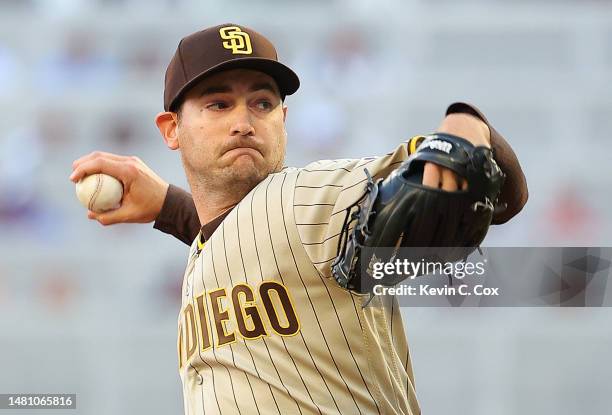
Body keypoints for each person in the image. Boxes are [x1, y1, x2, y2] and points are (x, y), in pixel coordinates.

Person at [70, 23, 527, 415]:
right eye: (218, 104)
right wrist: (171, 209)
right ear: (172, 129)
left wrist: (470, 125)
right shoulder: (221, 238)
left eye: (263, 103)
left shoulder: (309, 195)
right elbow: (247, 238)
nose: (244, 121)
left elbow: (492, 190)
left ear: (284, 118)